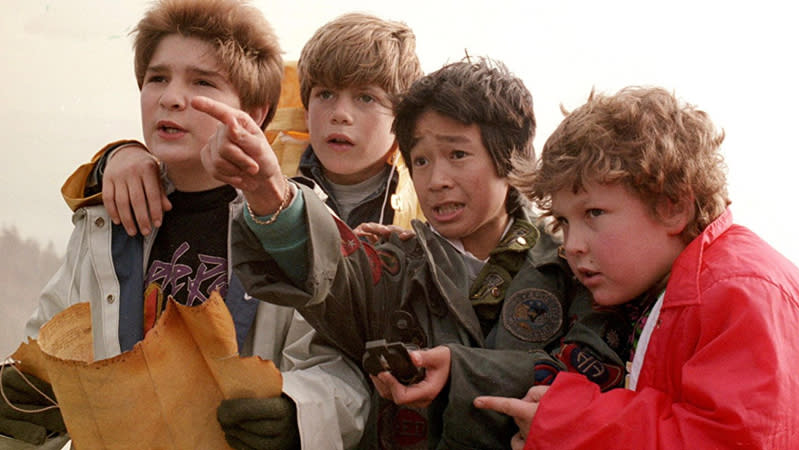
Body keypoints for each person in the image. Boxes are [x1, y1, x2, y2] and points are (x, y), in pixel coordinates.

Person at [199, 57, 631, 449]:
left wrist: (460, 371)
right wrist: (267, 189)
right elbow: (330, 272)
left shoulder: (574, 264)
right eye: (420, 161)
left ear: (511, 158)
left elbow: (596, 377)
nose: (436, 179)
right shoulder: (396, 263)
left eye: (457, 154)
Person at [0, 1, 369, 449]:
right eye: (157, 78)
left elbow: (343, 370)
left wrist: (298, 413)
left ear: (255, 110)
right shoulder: (104, 223)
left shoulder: (296, 225)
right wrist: (22, 404)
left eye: (202, 82)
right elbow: (45, 353)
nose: (170, 97)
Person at [475, 86, 799, 449]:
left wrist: (568, 426)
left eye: (593, 213)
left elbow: (730, 442)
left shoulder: (742, 292)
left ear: (673, 207)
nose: (571, 245)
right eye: (564, 222)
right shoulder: (668, 286)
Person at [61, 12, 424, 239]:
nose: (341, 114)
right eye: (325, 94)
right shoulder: (262, 166)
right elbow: (189, 172)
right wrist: (118, 155)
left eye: (366, 99)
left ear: (402, 116)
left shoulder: (425, 193)